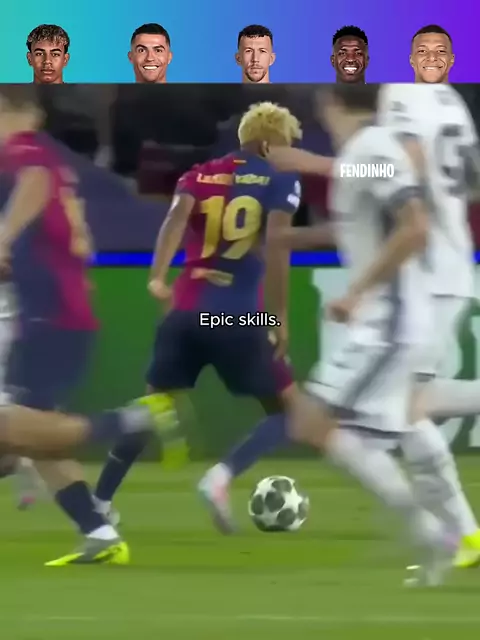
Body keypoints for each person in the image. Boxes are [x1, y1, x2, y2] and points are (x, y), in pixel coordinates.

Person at [266, 84, 480, 570]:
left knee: (409, 409)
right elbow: (464, 180)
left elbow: (405, 170)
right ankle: (460, 534)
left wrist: (315, 164)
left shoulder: (398, 99)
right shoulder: (445, 95)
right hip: (446, 258)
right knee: (409, 410)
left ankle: (453, 534)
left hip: (427, 272)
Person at [93, 102, 302, 531]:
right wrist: (277, 317)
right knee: (290, 411)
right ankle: (220, 478)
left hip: (185, 313)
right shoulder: (280, 179)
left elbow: (175, 219)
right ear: (268, 144)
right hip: (237, 318)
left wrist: (157, 277)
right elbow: (279, 247)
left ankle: (100, 500)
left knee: (151, 408)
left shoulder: (199, 174)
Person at [0, 85, 149, 567]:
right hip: (57, 311)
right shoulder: (50, 157)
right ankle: (99, 533)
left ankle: (126, 423)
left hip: (49, 313)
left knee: (17, 430)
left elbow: (35, 181)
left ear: (16, 111)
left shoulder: (24, 151)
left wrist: (4, 238)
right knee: (31, 433)